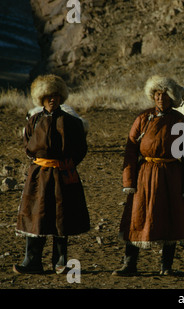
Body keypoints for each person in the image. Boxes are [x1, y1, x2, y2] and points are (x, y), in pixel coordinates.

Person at [113, 75, 184, 276]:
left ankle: (166, 267)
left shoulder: (180, 121)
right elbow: (131, 150)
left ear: (172, 97)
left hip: (171, 176)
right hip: (145, 175)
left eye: (164, 94)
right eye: (157, 94)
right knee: (137, 216)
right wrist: (129, 181)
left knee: (171, 218)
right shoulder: (143, 118)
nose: (160, 98)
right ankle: (129, 264)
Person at [13, 74, 90, 274]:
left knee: (61, 216)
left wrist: (66, 165)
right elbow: (27, 146)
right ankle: (32, 261)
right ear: (41, 98)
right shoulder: (34, 119)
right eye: (48, 96)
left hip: (62, 174)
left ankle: (61, 262)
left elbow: (81, 149)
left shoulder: (72, 122)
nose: (52, 99)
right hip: (38, 175)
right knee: (35, 216)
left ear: (61, 97)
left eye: (55, 95)